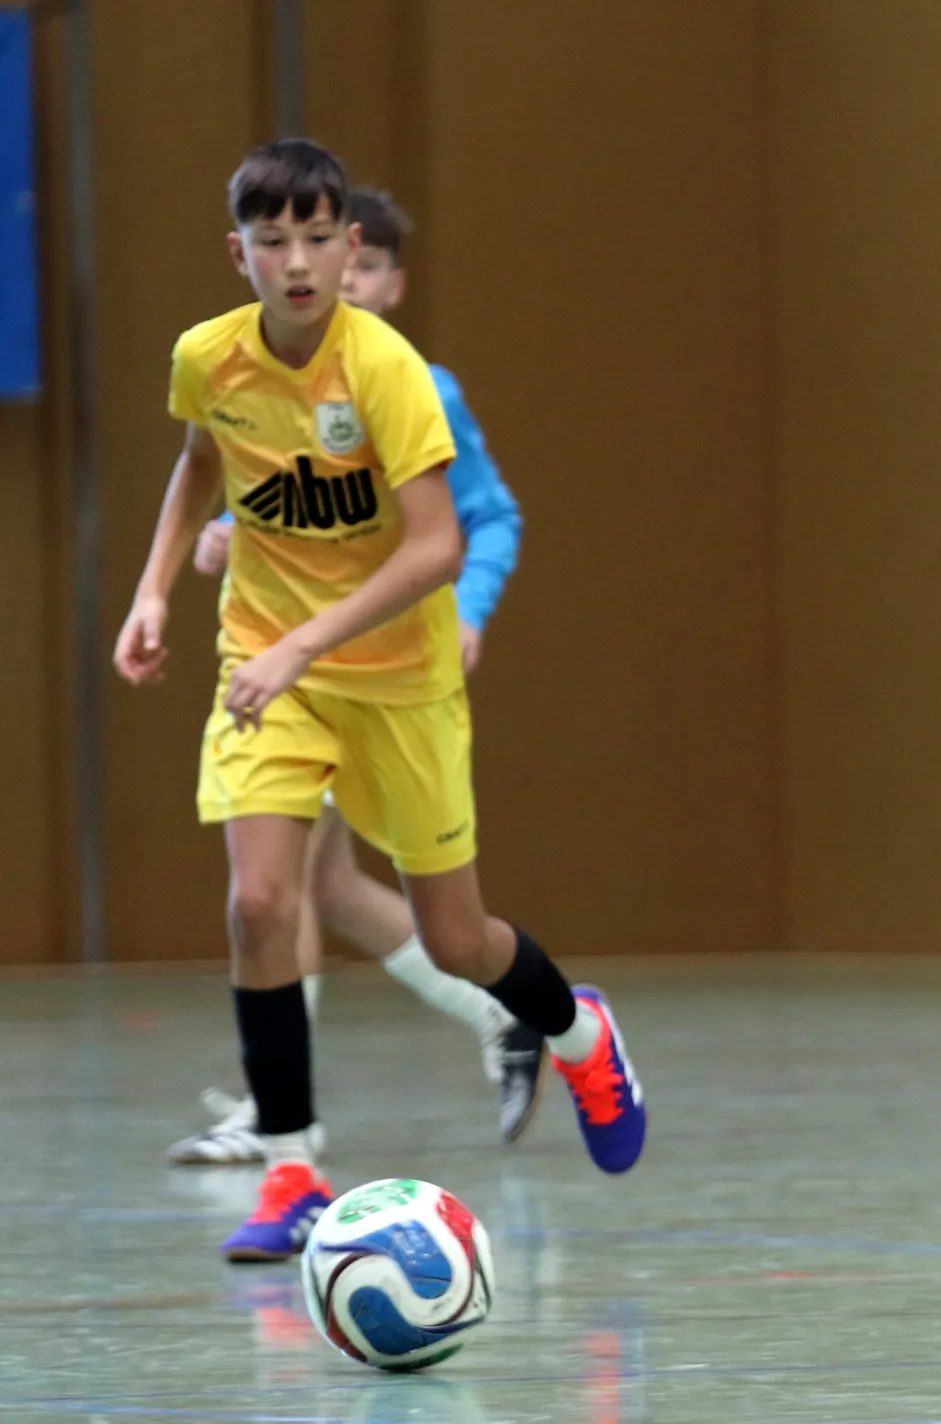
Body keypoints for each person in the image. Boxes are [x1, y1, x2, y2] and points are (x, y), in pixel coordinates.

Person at [114, 139, 647, 1262]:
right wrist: (153, 590)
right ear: (240, 255)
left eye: (319, 239)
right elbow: (201, 461)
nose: (298, 262)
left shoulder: (391, 374)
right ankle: (292, 1169)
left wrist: (308, 643)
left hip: (396, 681)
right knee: (262, 901)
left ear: (350, 244)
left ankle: (576, 1031)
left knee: (457, 938)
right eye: (273, 242)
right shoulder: (208, 357)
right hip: (267, 665)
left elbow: (440, 543)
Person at [167, 186, 541, 1165]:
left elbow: (482, 519)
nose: (317, 271)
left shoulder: (412, 386)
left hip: (385, 667)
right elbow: (280, 491)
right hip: (297, 669)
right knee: (306, 883)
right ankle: (458, 1030)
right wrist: (217, 533)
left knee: (308, 884)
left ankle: (288, 1109)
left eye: (352, 260)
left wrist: (469, 609)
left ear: (383, 275)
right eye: (278, 246)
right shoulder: (258, 372)